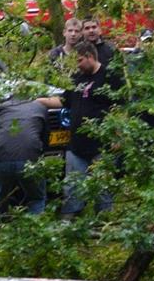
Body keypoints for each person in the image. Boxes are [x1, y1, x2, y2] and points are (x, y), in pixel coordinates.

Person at [37, 40, 124, 217]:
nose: (77, 65)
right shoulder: (78, 78)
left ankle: (104, 220)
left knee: (103, 185)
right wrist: (39, 101)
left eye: (79, 60)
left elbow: (121, 107)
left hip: (102, 143)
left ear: (90, 57)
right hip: (76, 143)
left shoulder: (110, 77)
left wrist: (118, 135)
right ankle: (69, 219)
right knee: (72, 184)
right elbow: (63, 101)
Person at [0, 95, 49, 228]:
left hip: (1, 158)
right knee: (37, 197)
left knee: (0, 194)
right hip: (29, 158)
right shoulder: (40, 108)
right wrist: (39, 156)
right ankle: (33, 230)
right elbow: (45, 138)